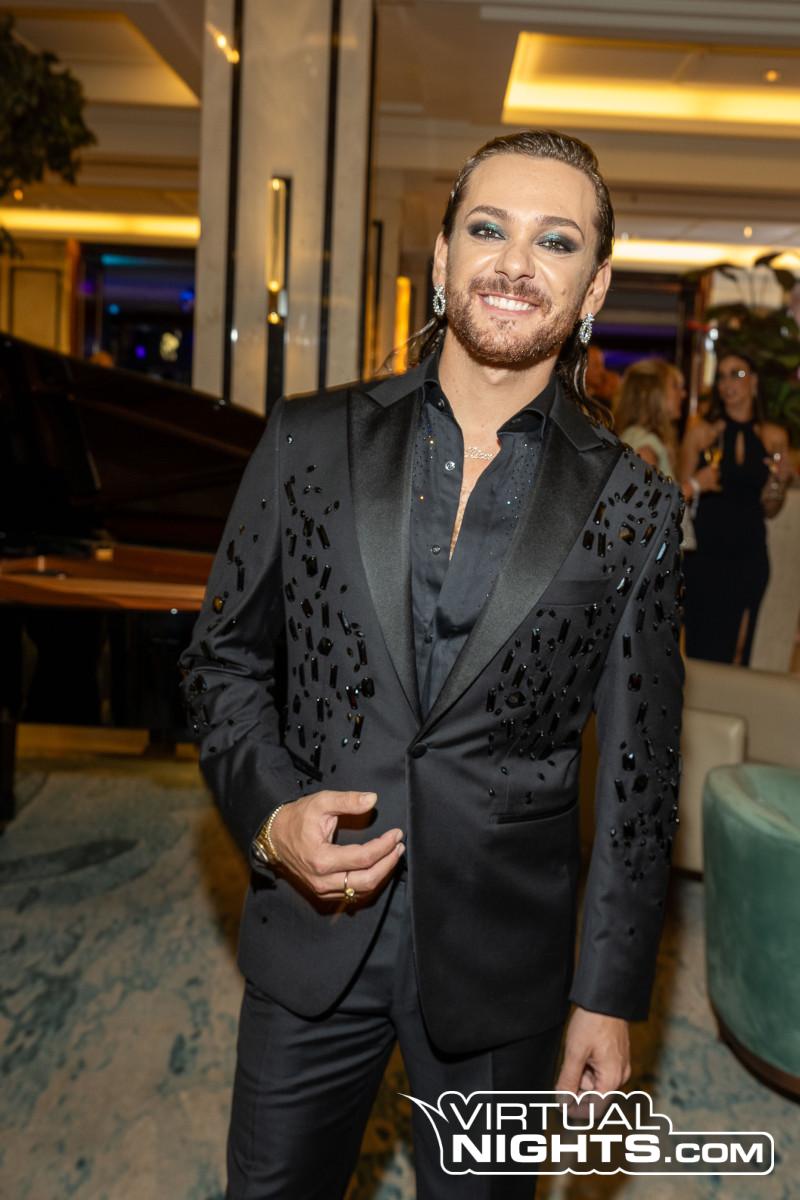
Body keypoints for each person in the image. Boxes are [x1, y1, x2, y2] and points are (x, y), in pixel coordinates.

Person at [180, 130, 685, 1200]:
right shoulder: (309, 441)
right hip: (312, 935)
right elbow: (221, 662)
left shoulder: (633, 502)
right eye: (488, 229)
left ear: (594, 286)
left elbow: (641, 780)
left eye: (555, 241)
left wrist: (607, 994)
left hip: (506, 963)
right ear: (445, 256)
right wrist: (271, 819)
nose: (515, 262)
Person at [679, 351, 793, 665]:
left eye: (737, 374)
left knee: (740, 652)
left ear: (754, 382)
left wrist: (778, 483)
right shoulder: (701, 433)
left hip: (749, 553)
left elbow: (770, 508)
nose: (728, 383)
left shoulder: (773, 437)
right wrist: (698, 482)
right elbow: (678, 498)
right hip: (705, 555)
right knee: (702, 650)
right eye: (723, 376)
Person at [615, 358, 718, 543]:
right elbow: (648, 508)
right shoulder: (645, 445)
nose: (683, 394)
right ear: (653, 393)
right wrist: (695, 485)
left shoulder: (635, 436)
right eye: (675, 386)